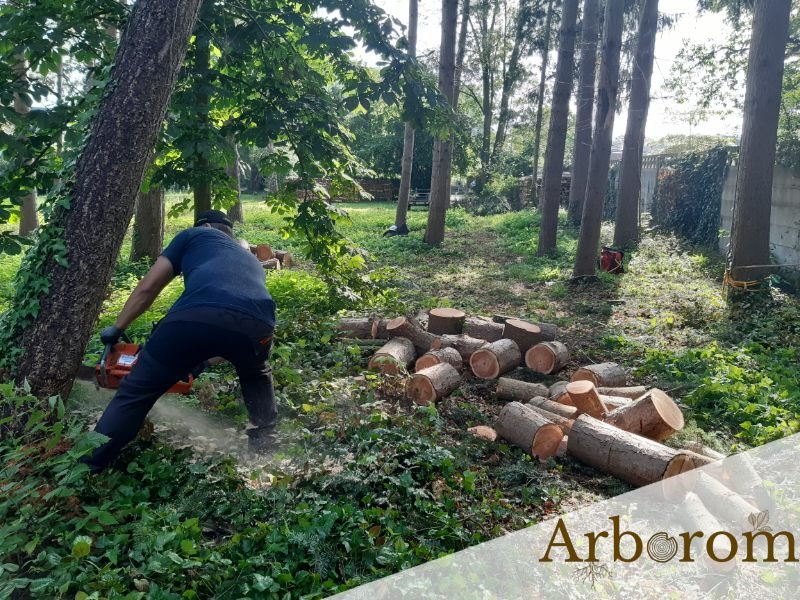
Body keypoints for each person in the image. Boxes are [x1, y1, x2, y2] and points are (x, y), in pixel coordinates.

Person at [86, 210, 277, 472]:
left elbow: (148, 288)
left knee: (135, 394)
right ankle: (267, 459)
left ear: (206, 225)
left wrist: (117, 327)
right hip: (260, 325)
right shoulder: (250, 259)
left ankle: (88, 468)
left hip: (195, 316)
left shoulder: (192, 235)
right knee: (256, 374)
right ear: (229, 233)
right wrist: (202, 362)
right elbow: (233, 325)